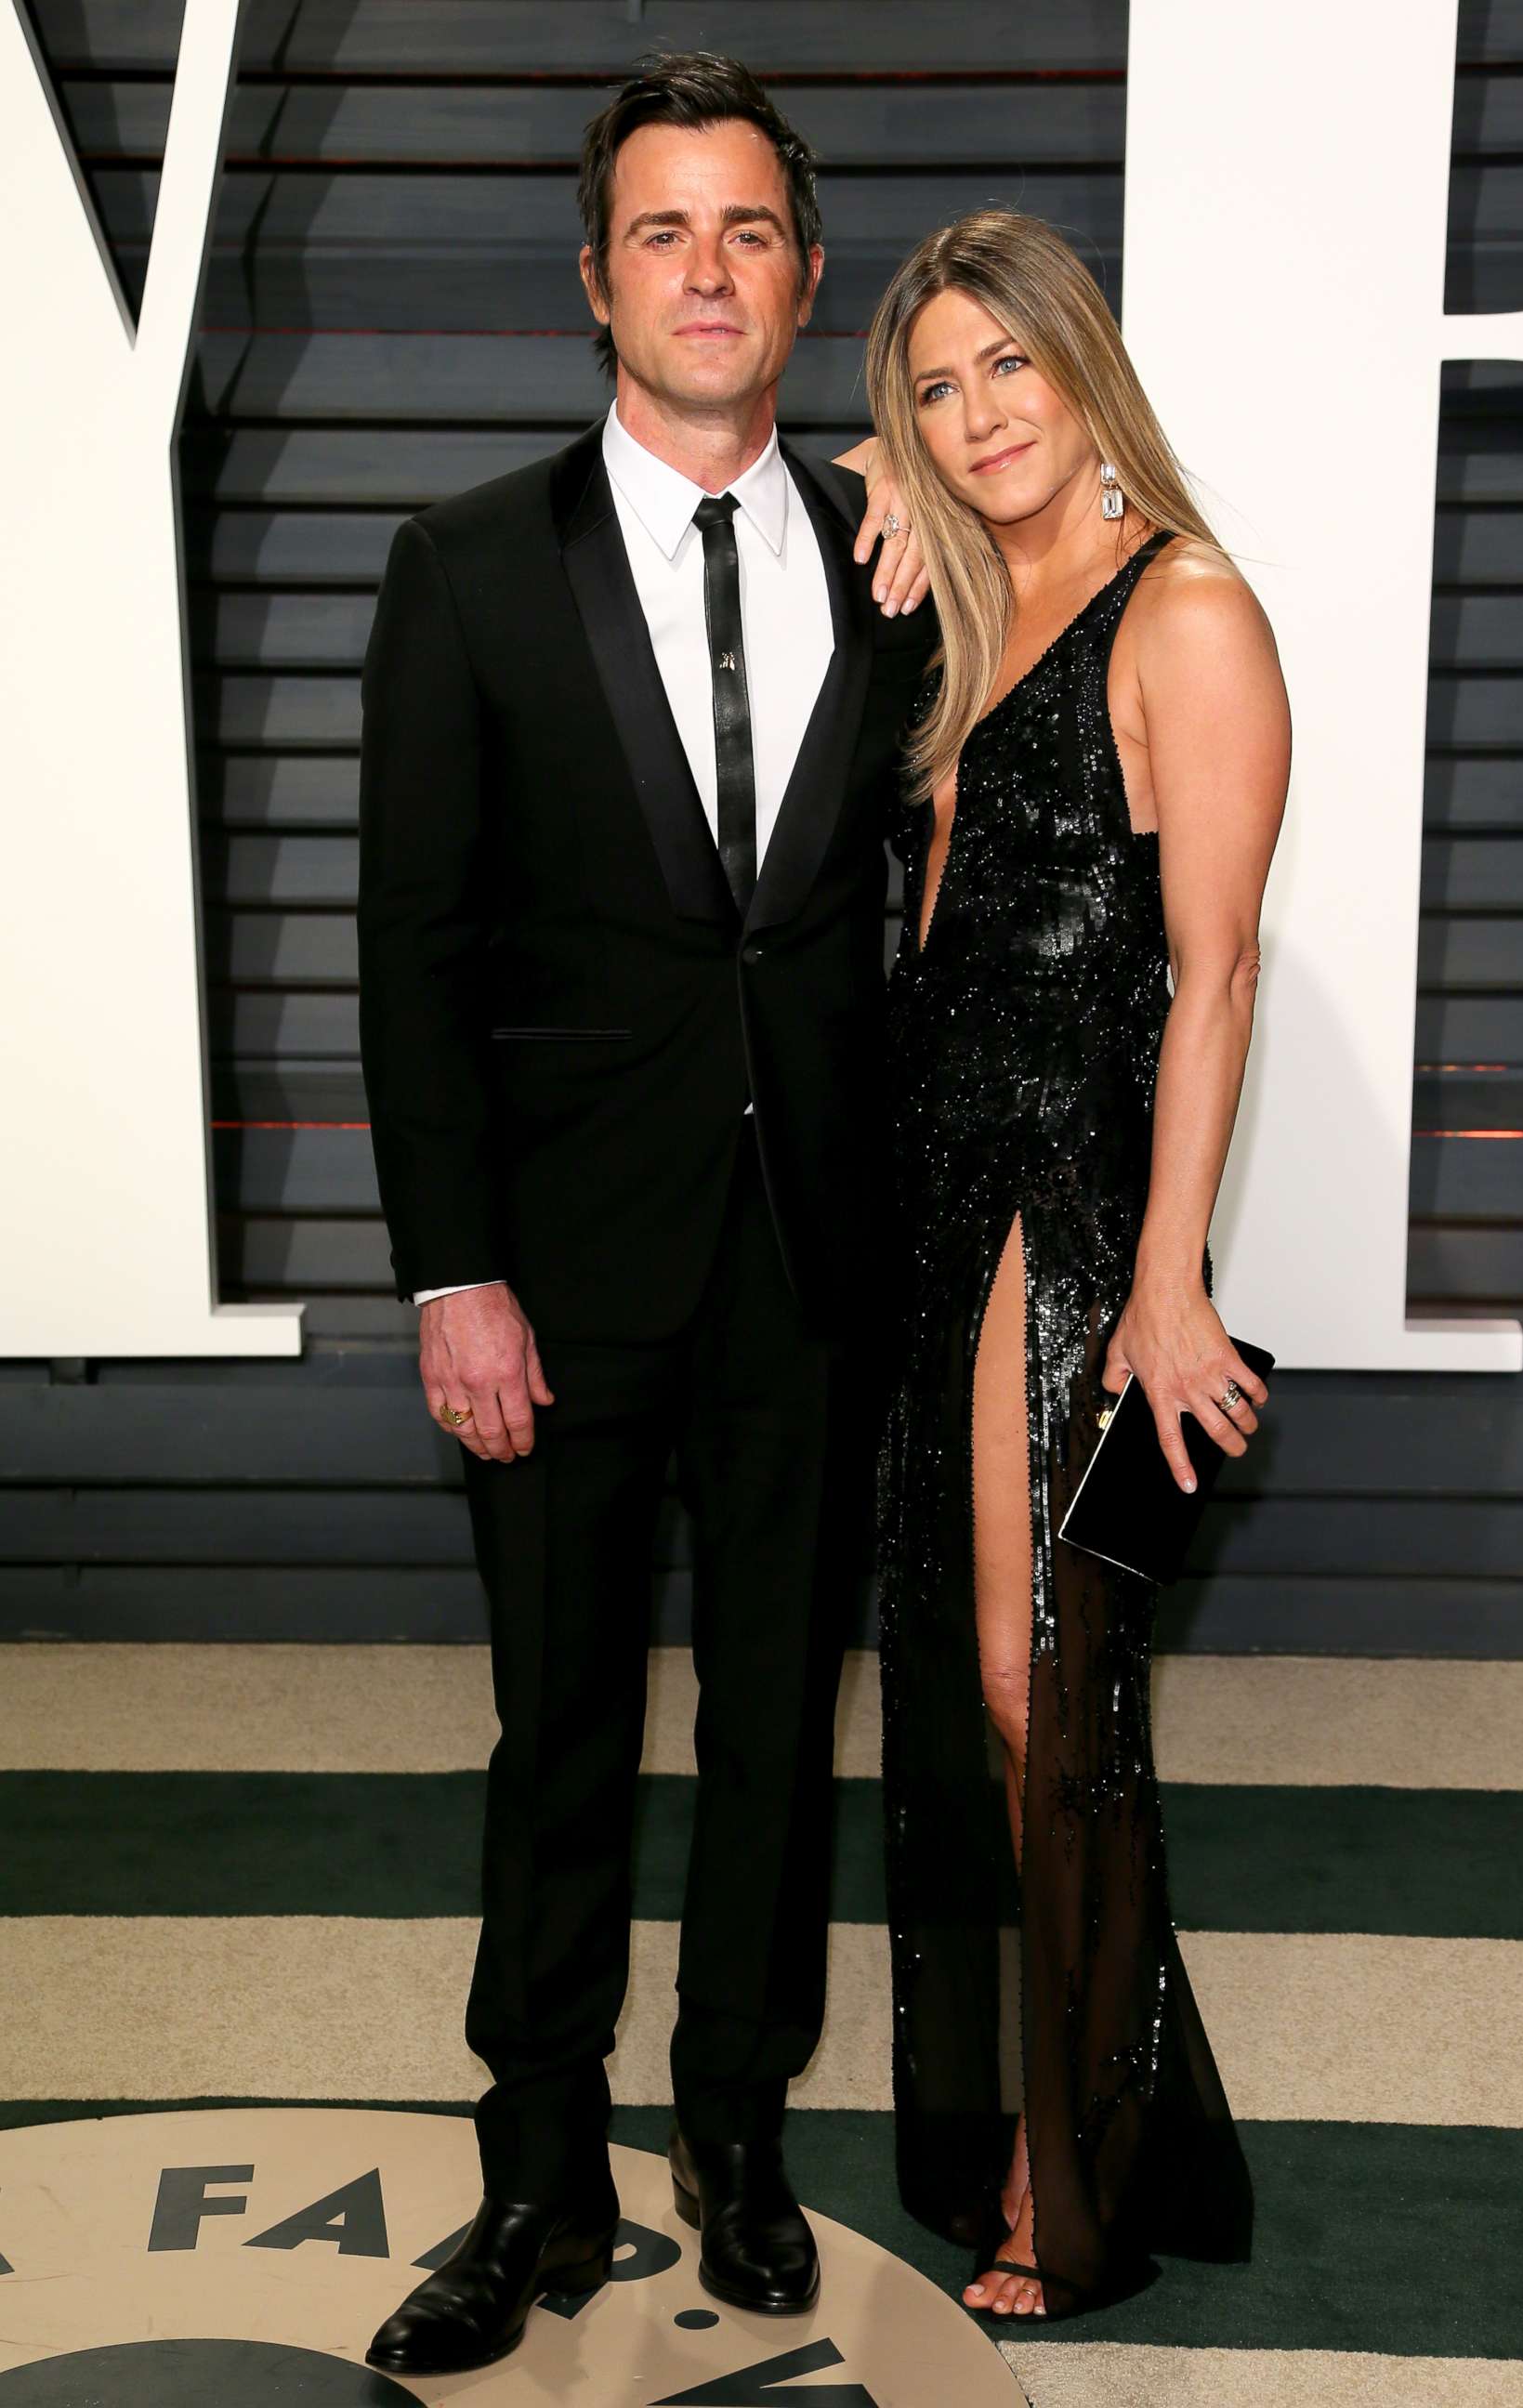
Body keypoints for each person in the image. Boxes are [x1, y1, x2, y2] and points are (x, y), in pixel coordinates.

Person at [354, 55, 929, 2378]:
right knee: (559, 1733)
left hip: (814, 1267)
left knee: (783, 1732)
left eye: (751, 231)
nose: (709, 271)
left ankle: (733, 2141)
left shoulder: (905, 558)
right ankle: (536, 2176)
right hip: (559, 1284)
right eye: (663, 232)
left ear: (804, 277)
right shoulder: (466, 566)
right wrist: (451, 1268)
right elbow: (415, 953)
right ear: (595, 279)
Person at [865, 210, 1291, 2322]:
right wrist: (866, 484)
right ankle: (1105, 2120)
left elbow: (1212, 976)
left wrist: (1167, 1280)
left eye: (1002, 369)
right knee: (981, 1694)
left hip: (1074, 1218)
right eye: (933, 389)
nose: (973, 415)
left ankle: (1070, 2177)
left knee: (1049, 1691)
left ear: (1077, 365)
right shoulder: (965, 602)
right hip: (940, 1215)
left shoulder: (1182, 605)